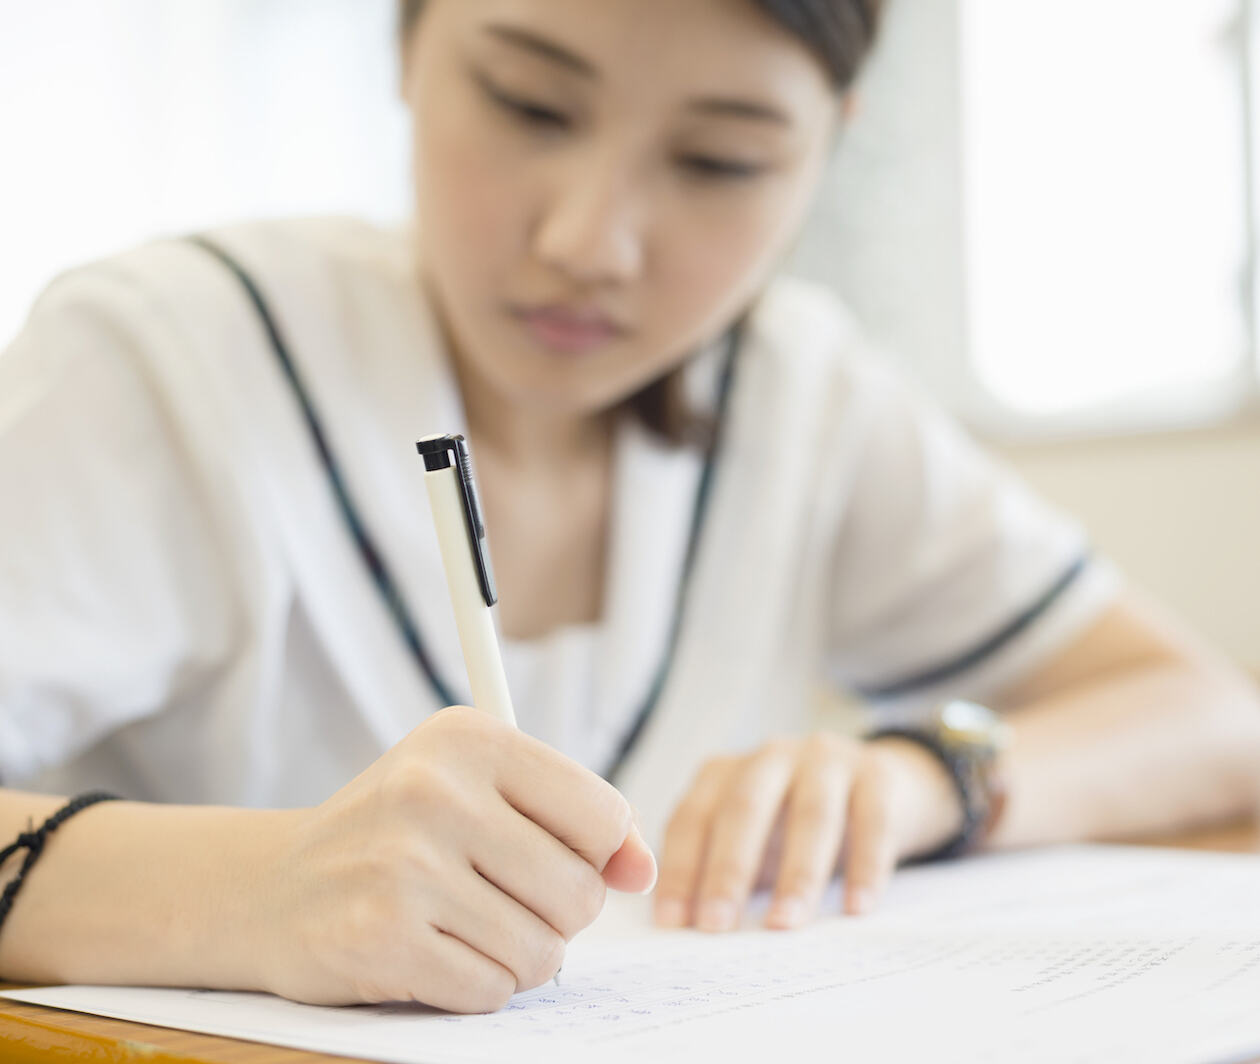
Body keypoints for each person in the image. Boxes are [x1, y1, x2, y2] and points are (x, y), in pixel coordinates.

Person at [1, 0, 1257, 1016]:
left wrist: (928, 777)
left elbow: (1214, 717)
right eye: (529, 102)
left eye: (721, 160)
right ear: (405, 41)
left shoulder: (797, 390)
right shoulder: (167, 357)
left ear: (827, 143)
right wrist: (252, 892)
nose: (590, 241)